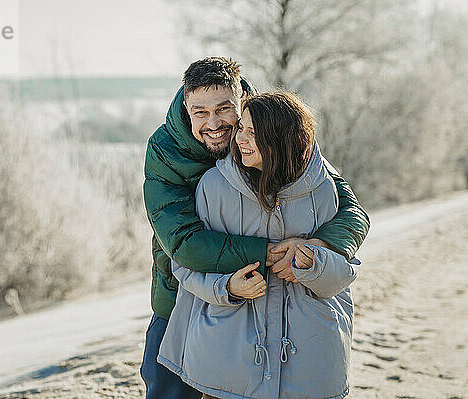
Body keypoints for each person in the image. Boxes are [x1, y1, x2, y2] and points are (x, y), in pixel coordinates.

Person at [141, 57, 369, 399]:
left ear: (241, 103)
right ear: (186, 108)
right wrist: (273, 252)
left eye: (225, 109)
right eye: (200, 112)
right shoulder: (165, 150)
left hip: (271, 302)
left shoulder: (271, 127)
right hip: (182, 289)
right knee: (167, 386)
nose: (214, 123)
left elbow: (351, 210)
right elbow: (185, 244)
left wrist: (317, 244)